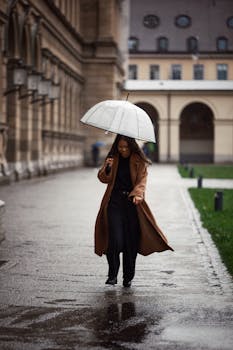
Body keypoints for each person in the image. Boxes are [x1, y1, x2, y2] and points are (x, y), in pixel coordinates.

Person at [95, 134, 173, 288]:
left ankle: (128, 277)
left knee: (131, 243)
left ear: (131, 146)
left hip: (132, 204)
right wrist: (108, 167)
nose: (123, 150)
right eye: (120, 147)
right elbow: (103, 178)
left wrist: (138, 194)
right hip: (114, 203)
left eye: (125, 147)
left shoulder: (139, 160)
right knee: (114, 240)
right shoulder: (112, 157)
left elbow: (142, 181)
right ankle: (112, 275)